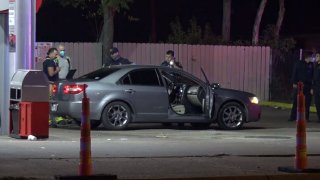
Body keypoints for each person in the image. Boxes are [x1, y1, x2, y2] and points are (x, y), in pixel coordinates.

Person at [289, 52, 314, 122]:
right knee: (296, 101)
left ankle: (306, 117)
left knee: (307, 102)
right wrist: (294, 82)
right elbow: (295, 73)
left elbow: (313, 76)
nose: (312, 59)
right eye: (311, 57)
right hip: (300, 84)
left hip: (308, 85)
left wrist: (312, 86)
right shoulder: (299, 64)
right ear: (307, 57)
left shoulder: (311, 65)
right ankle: (293, 117)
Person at [313, 53, 320, 122]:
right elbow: (314, 78)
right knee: (317, 103)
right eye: (316, 56)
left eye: (317, 56)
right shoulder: (316, 65)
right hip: (316, 88)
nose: (316, 57)